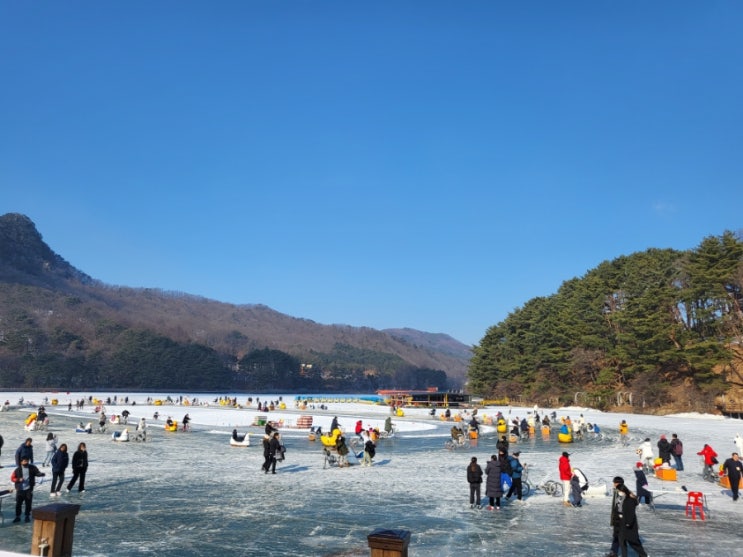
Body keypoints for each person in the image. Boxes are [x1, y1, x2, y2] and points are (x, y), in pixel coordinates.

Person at [616, 483, 648, 557]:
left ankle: (643, 555)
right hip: (622, 523)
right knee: (622, 541)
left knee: (633, 542)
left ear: (623, 491)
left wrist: (628, 523)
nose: (618, 492)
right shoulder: (621, 498)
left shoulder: (629, 500)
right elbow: (619, 508)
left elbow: (631, 513)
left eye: (619, 491)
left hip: (628, 524)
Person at [11, 456, 45, 523]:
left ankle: (27, 516)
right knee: (18, 504)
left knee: (28, 503)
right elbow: (12, 478)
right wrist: (18, 479)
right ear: (21, 462)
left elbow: (37, 473)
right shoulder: (17, 470)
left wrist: (40, 474)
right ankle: (18, 516)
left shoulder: (32, 468)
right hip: (20, 489)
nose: (26, 462)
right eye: (24, 461)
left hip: (28, 489)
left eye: (27, 461)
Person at [606, 476, 624, 557]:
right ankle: (613, 552)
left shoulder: (622, 493)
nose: (613, 484)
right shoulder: (617, 491)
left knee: (619, 537)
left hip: (621, 519)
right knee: (616, 536)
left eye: (615, 483)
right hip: (617, 518)